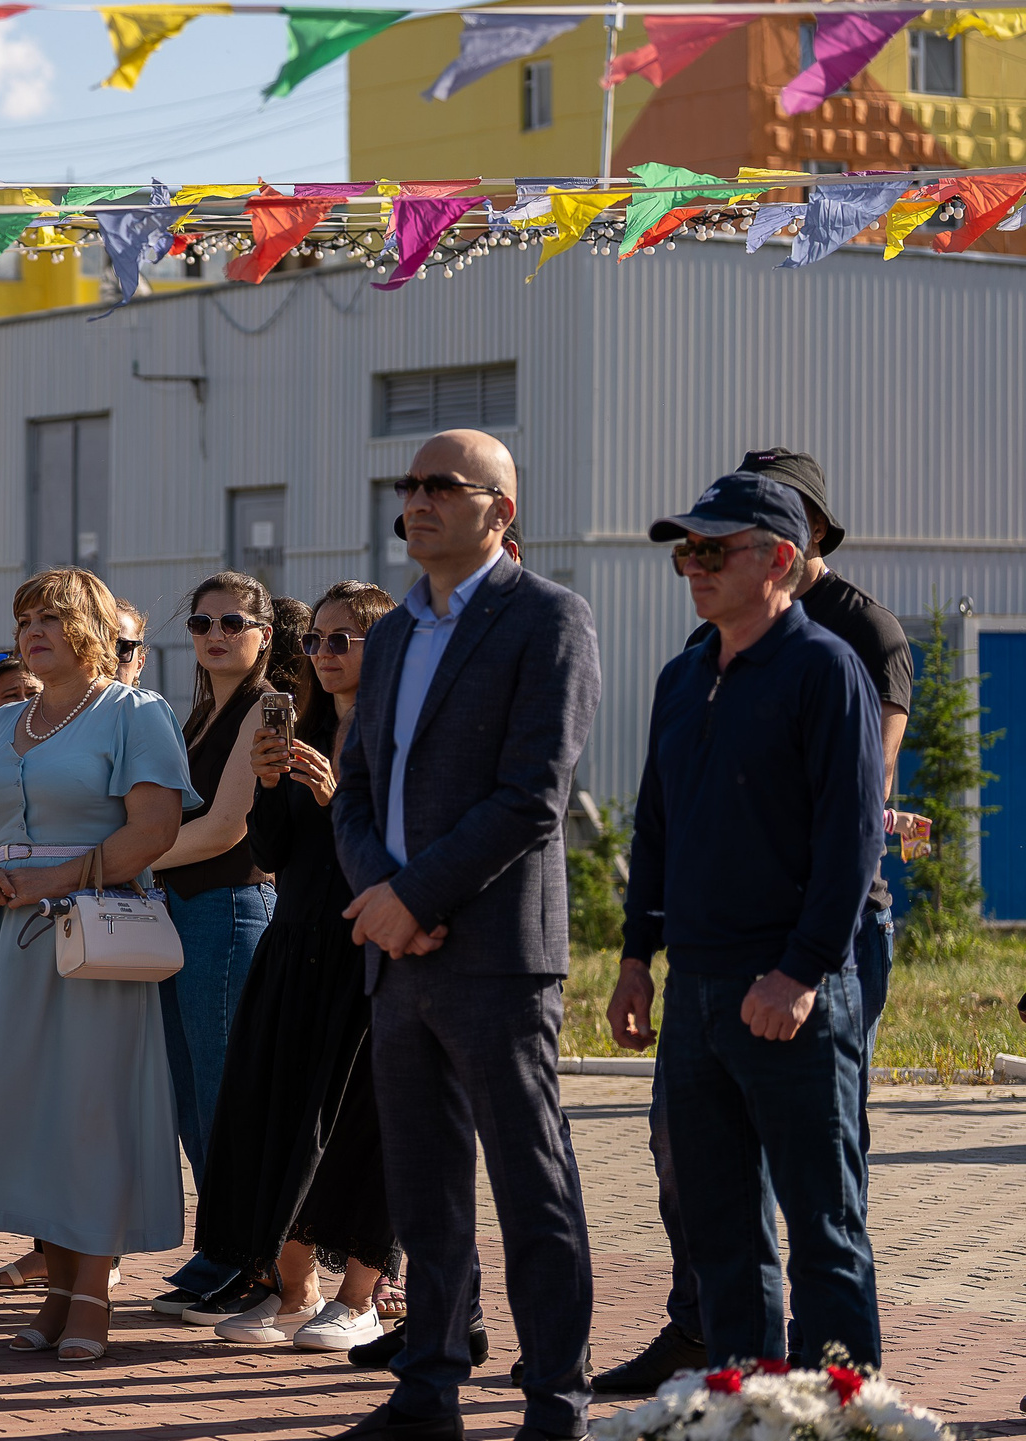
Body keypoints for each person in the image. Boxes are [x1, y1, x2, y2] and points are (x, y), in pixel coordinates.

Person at [595, 448, 915, 1393]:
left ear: (779, 559)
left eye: (713, 553)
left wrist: (805, 971)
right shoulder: (682, 677)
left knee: (823, 1222)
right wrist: (634, 958)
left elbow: (851, 838)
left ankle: (846, 1409)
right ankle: (747, 1405)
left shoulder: (826, 668)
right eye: (684, 554)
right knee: (721, 1226)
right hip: (694, 988)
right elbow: (655, 825)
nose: (694, 569)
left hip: (791, 991)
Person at [329, 428, 598, 1441]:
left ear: (500, 508)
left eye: (441, 484)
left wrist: (420, 897)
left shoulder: (547, 620)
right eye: (408, 486)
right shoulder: (393, 631)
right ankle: (427, 1387)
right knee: (424, 1187)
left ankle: (553, 1402)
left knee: (532, 1183)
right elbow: (354, 788)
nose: (417, 500)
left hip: (493, 953)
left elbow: (534, 794)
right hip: (395, 951)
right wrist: (381, 896)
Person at [0, 567, 191, 1364]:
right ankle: (55, 1289)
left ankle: (92, 1298)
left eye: (51, 616)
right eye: (24, 618)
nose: (31, 631)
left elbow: (156, 828)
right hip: (7, 939)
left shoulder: (136, 711)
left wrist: (61, 876)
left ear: (94, 628)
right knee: (33, 1113)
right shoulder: (5, 723)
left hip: (94, 936)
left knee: (89, 1112)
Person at [188, 582, 402, 1351]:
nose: (326, 654)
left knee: (358, 1127)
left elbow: (395, 855)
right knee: (274, 1116)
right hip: (294, 948)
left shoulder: (397, 737)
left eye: (345, 640)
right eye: (316, 640)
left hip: (367, 953)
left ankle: (362, 1296)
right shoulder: (304, 726)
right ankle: (293, 1287)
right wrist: (273, 786)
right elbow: (273, 853)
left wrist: (340, 795)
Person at [152, 572, 298, 1323]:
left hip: (231, 911)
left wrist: (129, 858)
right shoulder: (201, 715)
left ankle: (250, 1257)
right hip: (183, 913)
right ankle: (224, 1245)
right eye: (203, 621)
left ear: (264, 633)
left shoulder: (265, 706)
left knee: (224, 1096)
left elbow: (225, 829)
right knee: (190, 1097)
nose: (215, 633)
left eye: (234, 621)